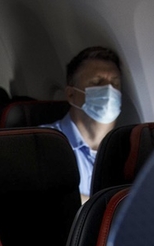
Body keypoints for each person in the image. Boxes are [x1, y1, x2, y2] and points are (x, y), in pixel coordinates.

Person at [41, 46, 122, 203]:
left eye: (115, 83)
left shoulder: (129, 147)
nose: (109, 91)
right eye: (97, 82)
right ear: (71, 94)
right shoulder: (44, 142)